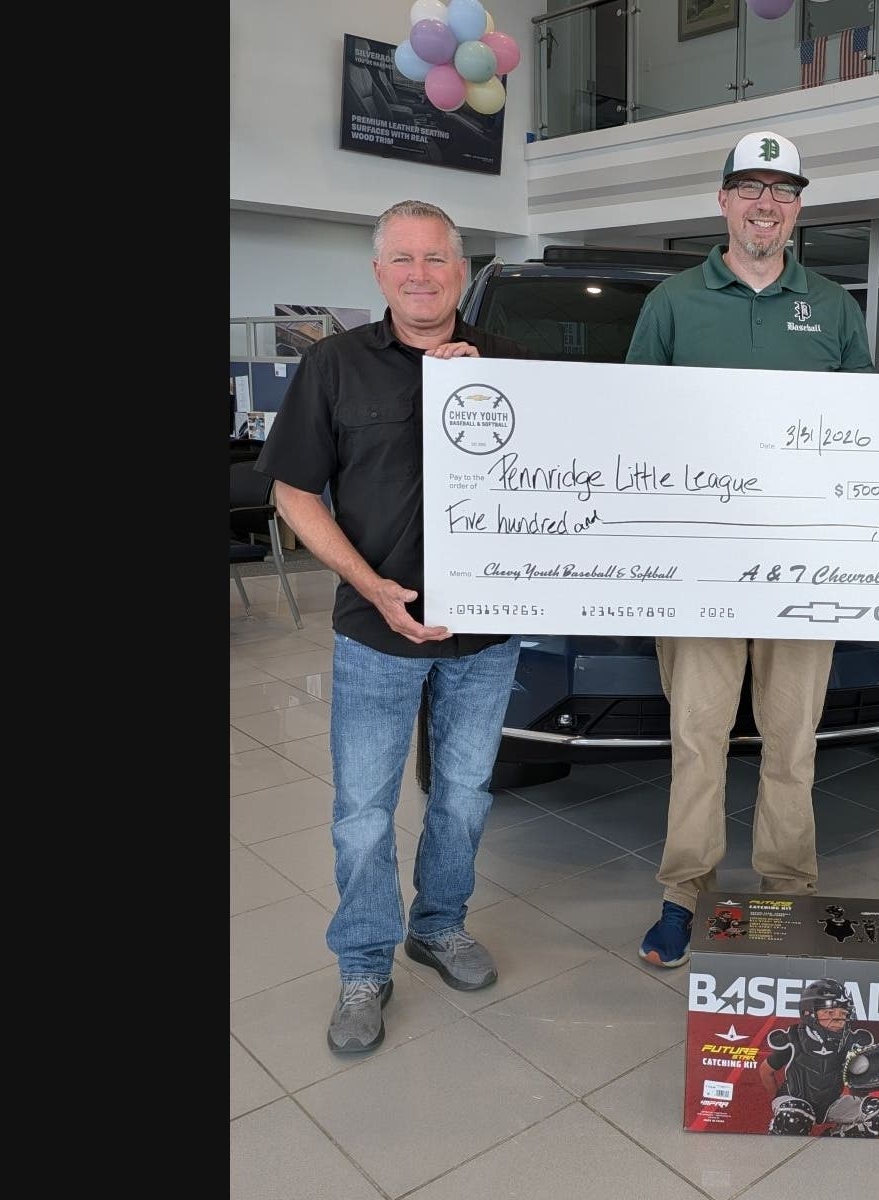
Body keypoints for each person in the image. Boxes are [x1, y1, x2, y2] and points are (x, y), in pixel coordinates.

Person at [254, 199, 531, 1053]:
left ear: (461, 269)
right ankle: (364, 964)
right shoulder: (333, 365)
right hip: (375, 630)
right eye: (403, 259)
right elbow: (293, 493)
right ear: (379, 273)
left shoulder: (512, 365)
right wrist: (372, 586)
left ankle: (438, 925)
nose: (420, 273)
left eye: (437, 258)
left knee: (463, 796)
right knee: (364, 810)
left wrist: (481, 386)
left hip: (484, 636)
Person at [625, 130, 875, 969]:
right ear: (723, 200)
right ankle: (681, 893)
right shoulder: (671, 303)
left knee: (792, 742)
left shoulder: (835, 307)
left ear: (798, 207)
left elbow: (867, 433)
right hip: (700, 571)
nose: (765, 205)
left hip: (803, 567)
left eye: (783, 190)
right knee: (696, 739)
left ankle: (787, 892)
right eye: (750, 189)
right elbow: (629, 428)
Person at [758, 979, 879, 1138]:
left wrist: (861, 1079)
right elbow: (765, 1070)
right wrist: (777, 1101)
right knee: (792, 1118)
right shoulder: (794, 1039)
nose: (839, 1019)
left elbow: (854, 1081)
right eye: (830, 1012)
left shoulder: (850, 1041)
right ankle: (784, 1120)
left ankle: (836, 1137)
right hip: (794, 1099)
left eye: (843, 1013)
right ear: (808, 1013)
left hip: (832, 1103)